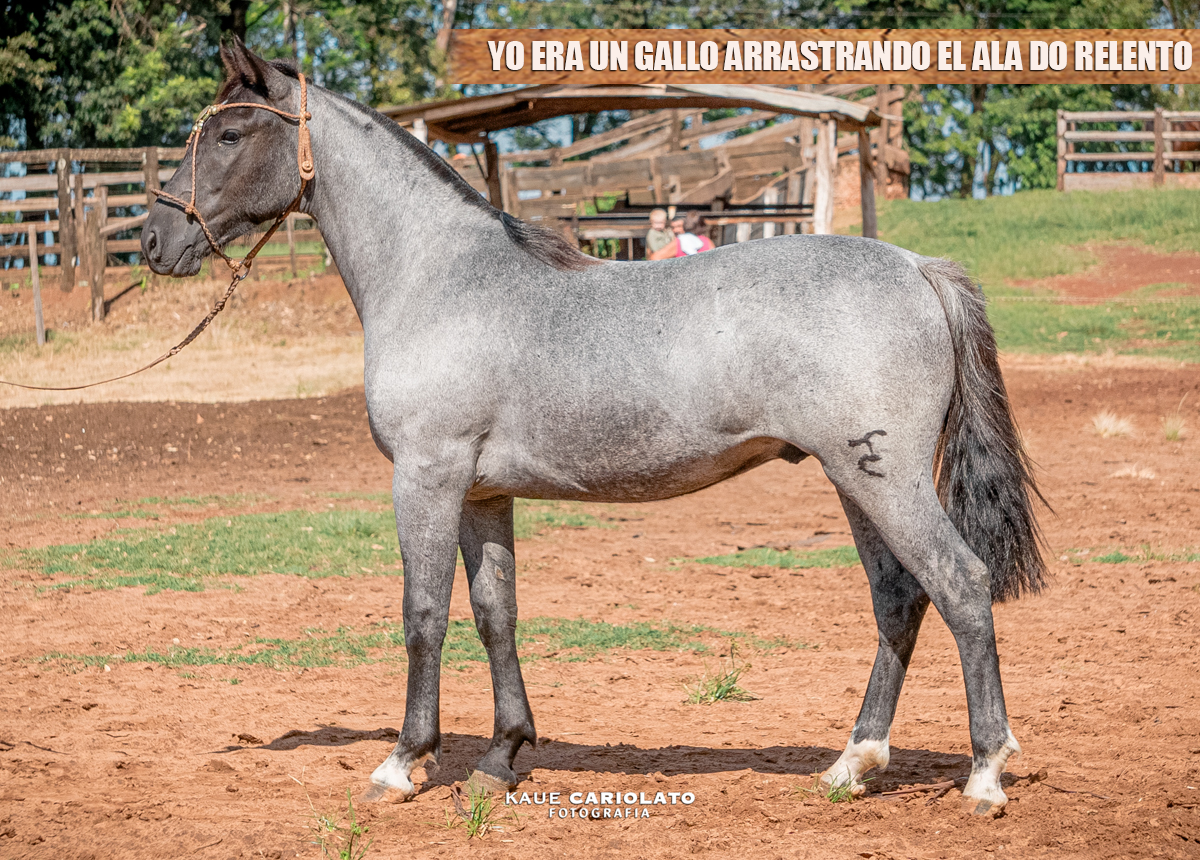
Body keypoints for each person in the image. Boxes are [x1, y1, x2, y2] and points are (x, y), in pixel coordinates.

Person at [648, 211, 715, 260]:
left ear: (686, 226)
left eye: (679, 226)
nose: (675, 230)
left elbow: (655, 258)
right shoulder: (707, 242)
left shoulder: (679, 243)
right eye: (673, 228)